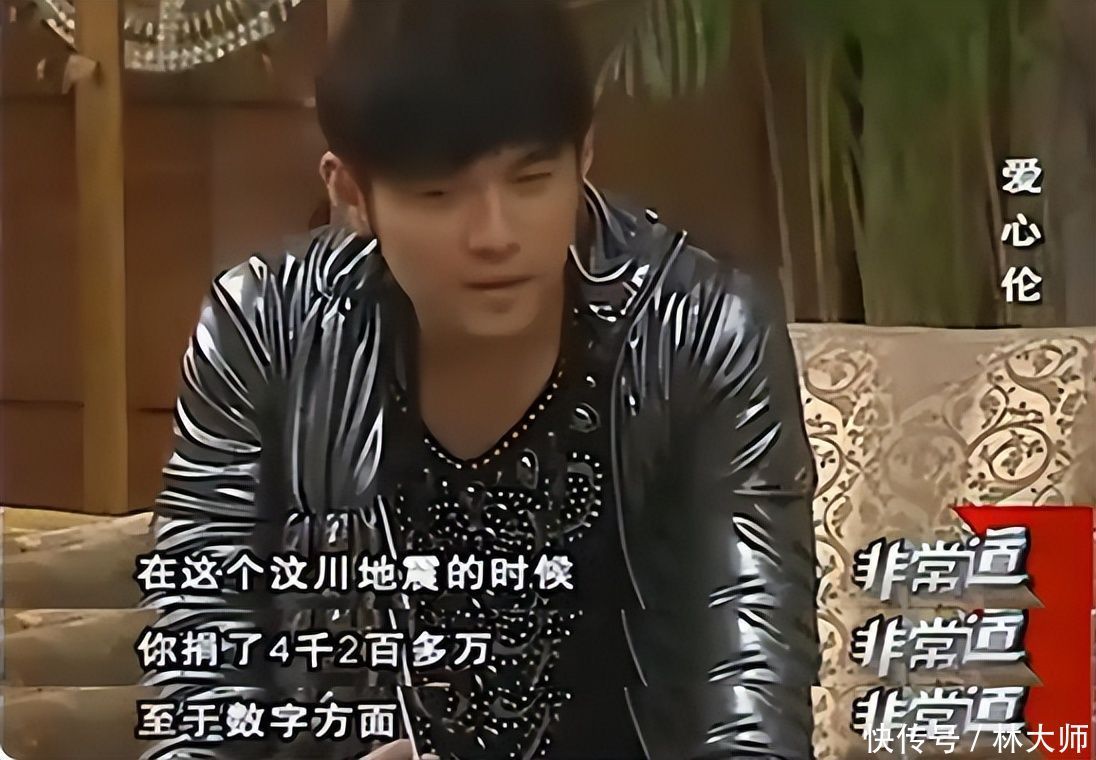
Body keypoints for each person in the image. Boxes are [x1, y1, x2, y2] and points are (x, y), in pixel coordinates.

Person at [142, 1, 820, 758]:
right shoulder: (266, 329)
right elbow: (201, 675)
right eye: (439, 195)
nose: (496, 235)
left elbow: (752, 694)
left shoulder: (700, 333)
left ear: (584, 157)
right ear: (352, 193)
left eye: (531, 181)